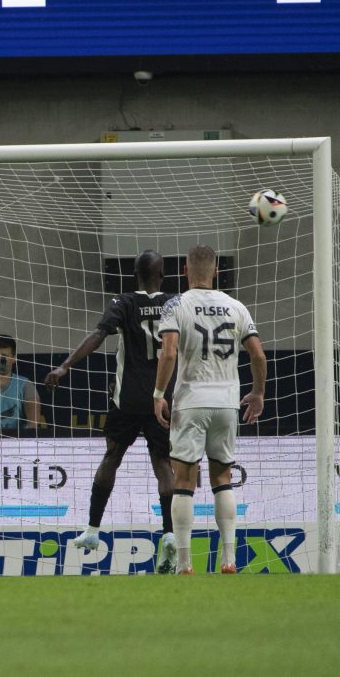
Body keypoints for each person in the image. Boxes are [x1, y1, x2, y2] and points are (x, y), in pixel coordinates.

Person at [44, 250, 178, 573]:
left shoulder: (124, 302)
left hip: (127, 398)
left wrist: (65, 367)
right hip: (162, 398)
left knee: (111, 458)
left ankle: (92, 530)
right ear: (162, 276)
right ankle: (170, 532)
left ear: (135, 276)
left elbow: (98, 335)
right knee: (163, 464)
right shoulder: (175, 303)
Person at [153, 244, 266, 575]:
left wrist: (159, 393)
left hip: (191, 401)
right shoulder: (235, 306)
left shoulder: (176, 304)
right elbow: (258, 356)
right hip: (227, 402)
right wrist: (257, 393)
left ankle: (185, 564)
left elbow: (169, 353)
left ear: (185, 271)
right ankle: (229, 560)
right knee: (222, 477)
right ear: (215, 271)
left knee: (184, 479)